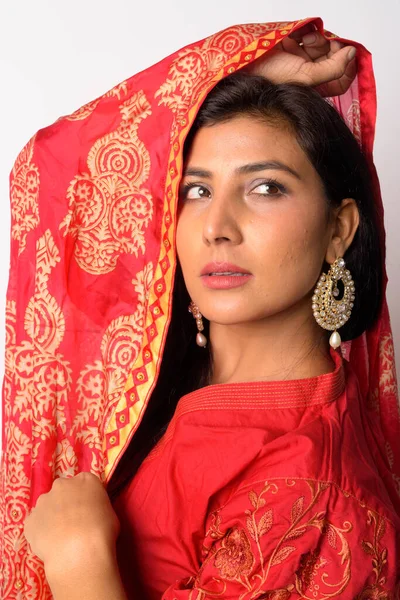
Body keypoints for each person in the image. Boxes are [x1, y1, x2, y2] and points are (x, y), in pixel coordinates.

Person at [2, 17, 399, 600]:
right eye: (195, 190)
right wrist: (243, 82)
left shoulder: (312, 494)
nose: (217, 227)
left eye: (265, 188)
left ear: (338, 230)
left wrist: (81, 565)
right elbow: (54, 176)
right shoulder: (163, 379)